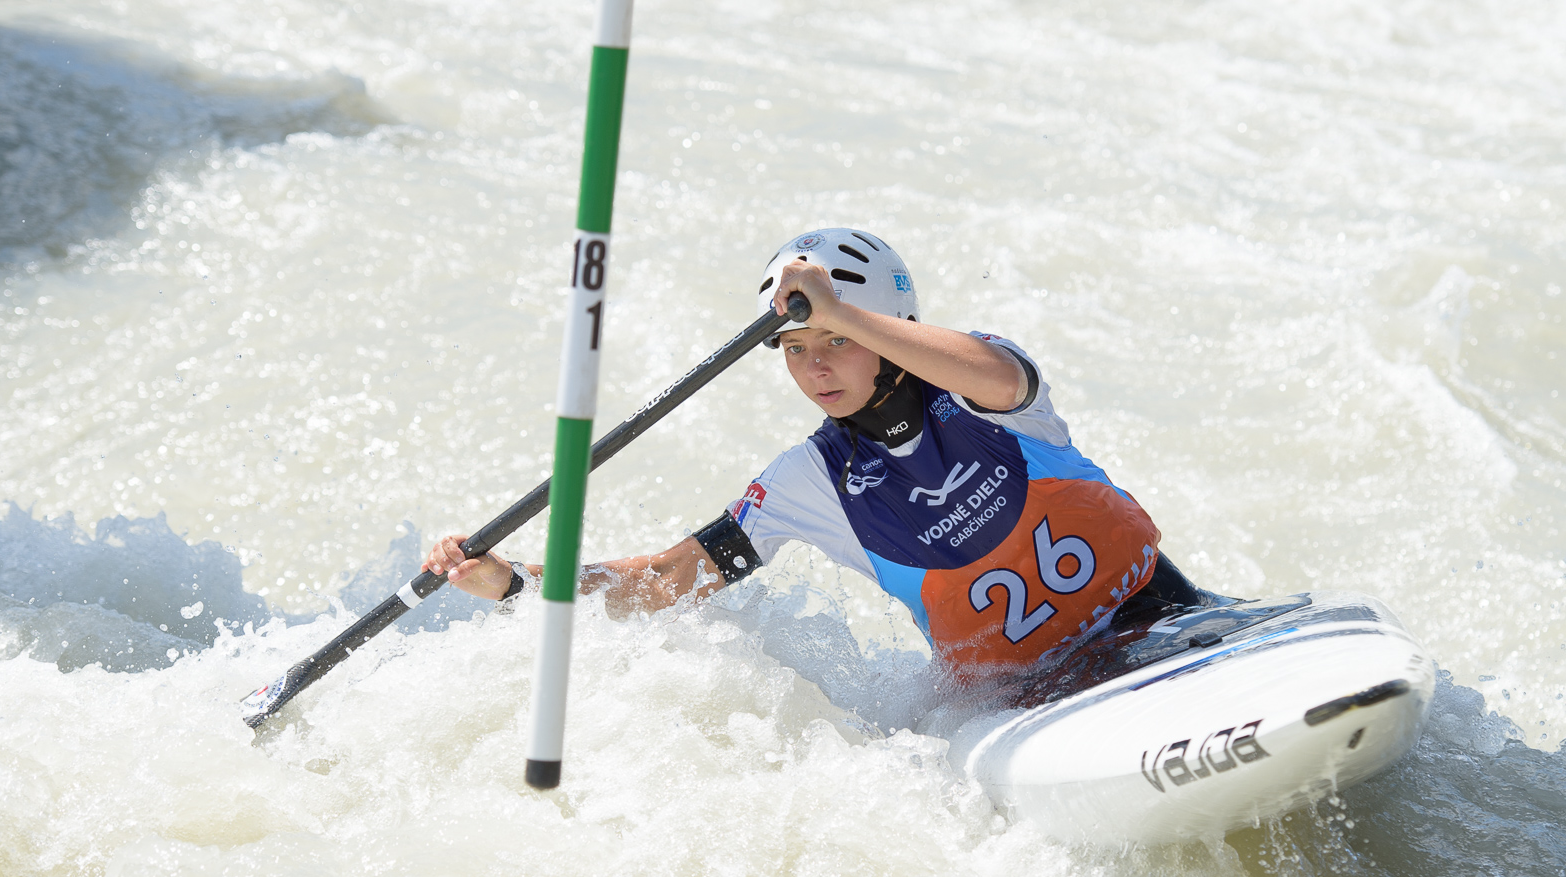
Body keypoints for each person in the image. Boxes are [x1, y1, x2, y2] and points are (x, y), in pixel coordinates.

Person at [424, 228, 1197, 684]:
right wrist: (513, 584)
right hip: (1025, 703)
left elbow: (995, 373)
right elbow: (665, 580)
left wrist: (836, 307)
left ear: (886, 329)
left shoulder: (977, 384)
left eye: (837, 340)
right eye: (794, 348)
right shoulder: (807, 482)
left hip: (1166, 618)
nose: (815, 366)